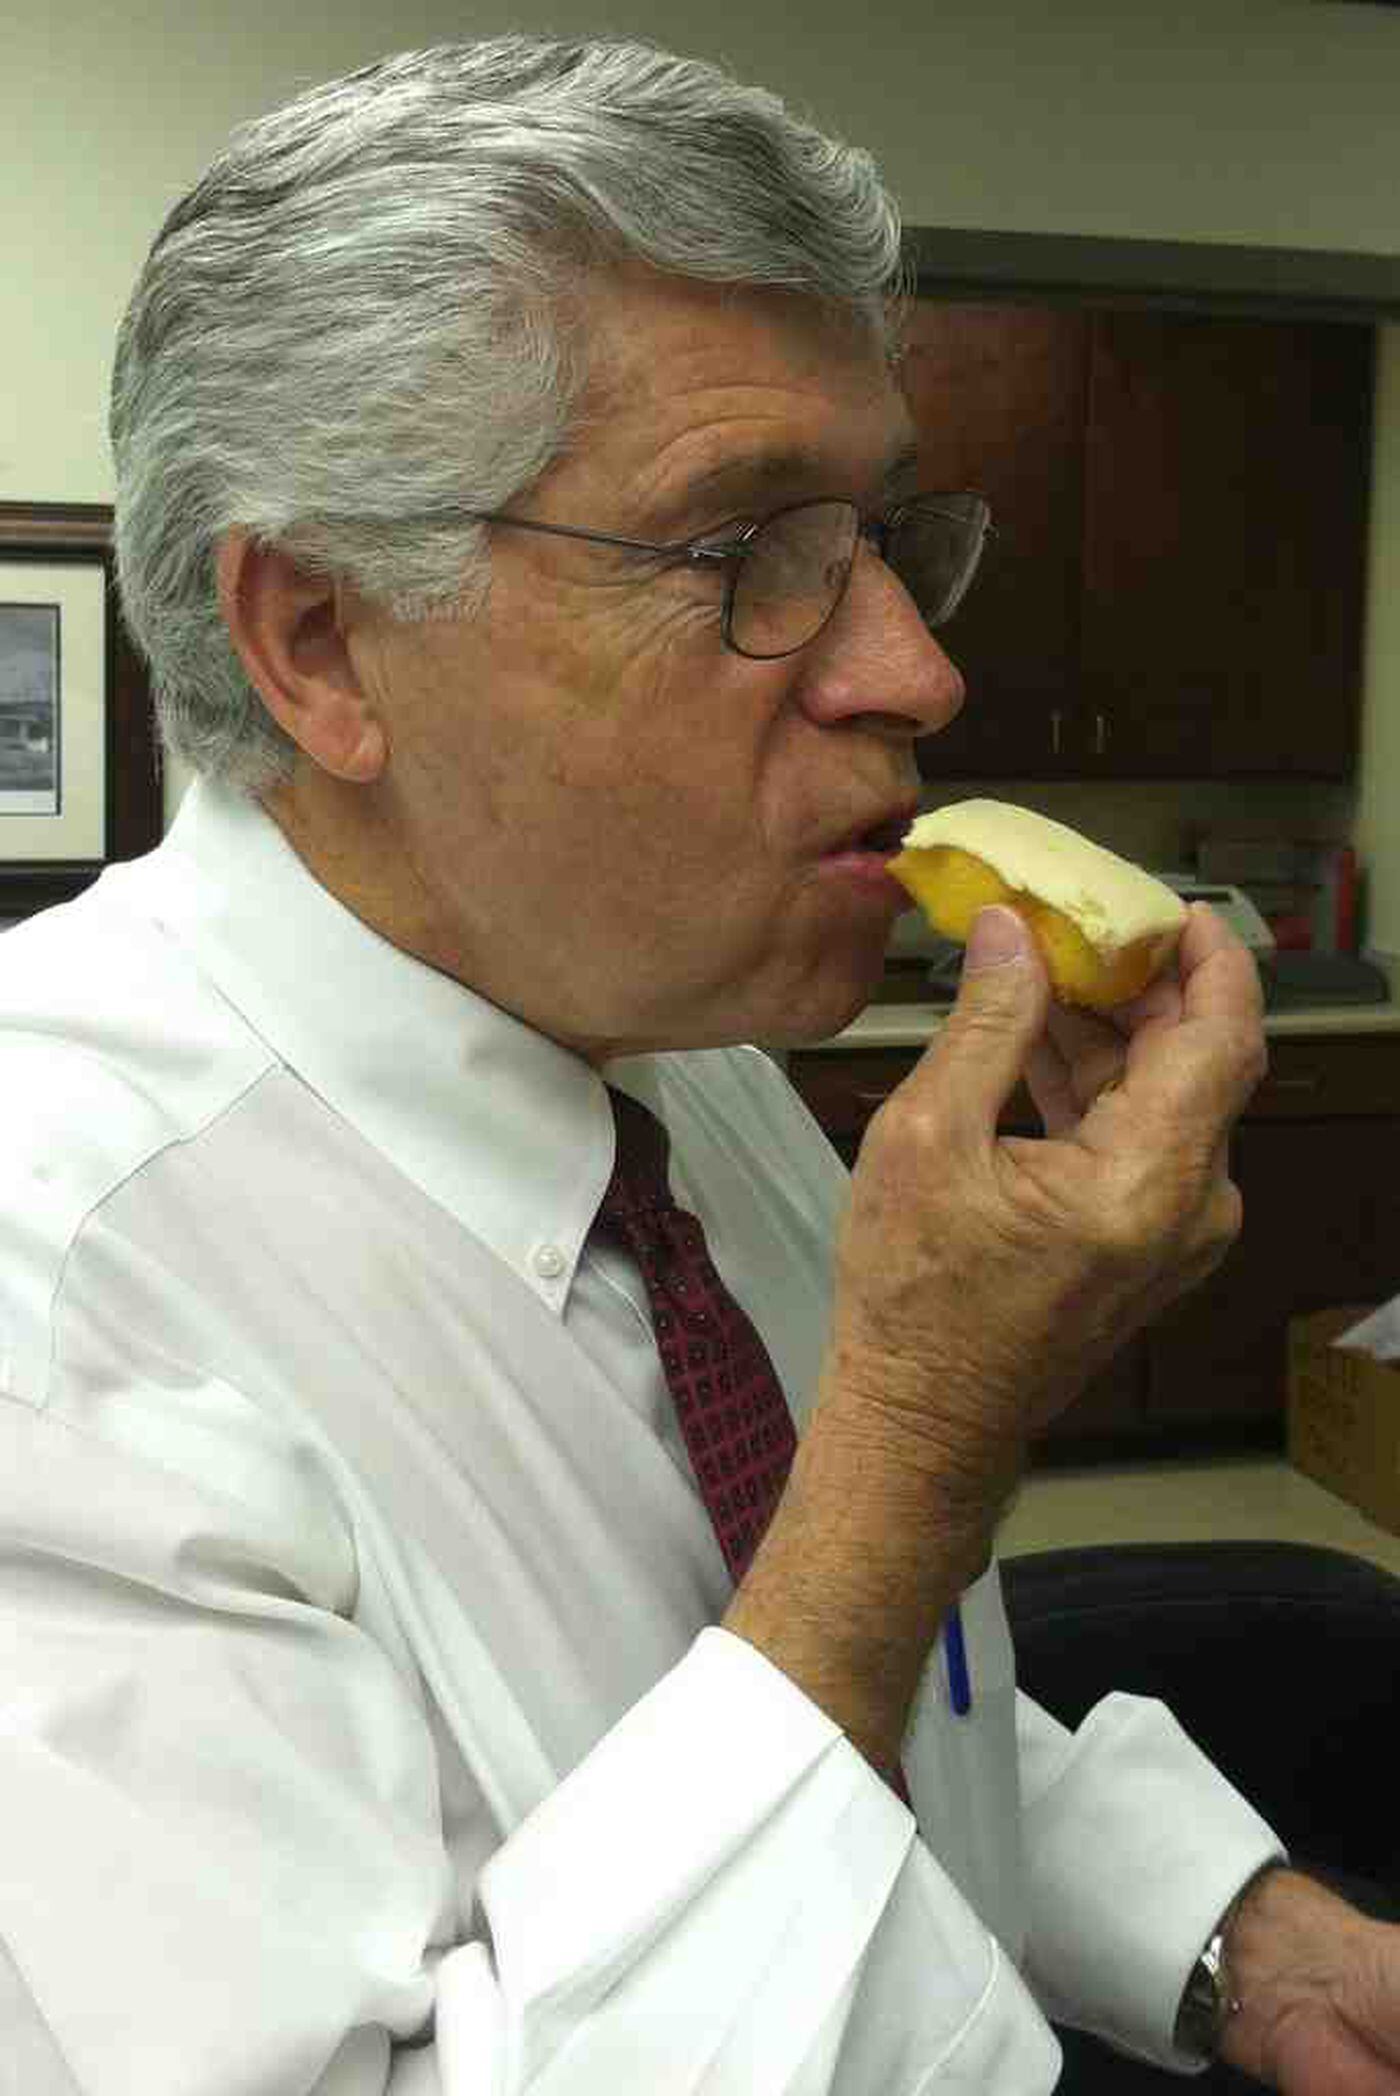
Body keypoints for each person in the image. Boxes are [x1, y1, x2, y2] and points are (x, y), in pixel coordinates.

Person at [0, 34, 1396, 2096]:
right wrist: (918, 1433)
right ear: (320, 640)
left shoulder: (675, 1054)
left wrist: (1222, 1933)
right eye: (741, 549)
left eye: (881, 535)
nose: (917, 667)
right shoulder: (51, 1304)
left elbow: (825, 1676)